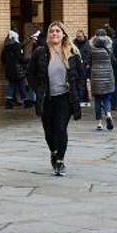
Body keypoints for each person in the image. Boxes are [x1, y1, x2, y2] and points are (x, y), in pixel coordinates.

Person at [26, 22, 87, 175]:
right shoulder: (40, 52)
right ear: (48, 34)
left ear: (63, 34)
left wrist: (78, 92)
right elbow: (30, 73)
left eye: (58, 31)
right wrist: (37, 89)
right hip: (47, 98)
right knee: (49, 131)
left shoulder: (72, 52)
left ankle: (60, 160)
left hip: (65, 97)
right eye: (52, 31)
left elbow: (81, 75)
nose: (54, 34)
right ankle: (54, 151)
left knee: (60, 128)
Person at [88, 30, 117, 131]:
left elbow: (89, 60)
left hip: (96, 75)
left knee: (97, 100)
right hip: (107, 74)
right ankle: (108, 114)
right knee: (107, 98)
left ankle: (99, 123)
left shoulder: (91, 46)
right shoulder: (109, 46)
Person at [0, 31, 26, 109]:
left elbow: (2, 59)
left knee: (11, 84)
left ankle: (9, 101)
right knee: (21, 84)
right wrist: (26, 60)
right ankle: (25, 100)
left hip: (8, 69)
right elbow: (20, 58)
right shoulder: (17, 46)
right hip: (17, 69)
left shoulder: (5, 47)